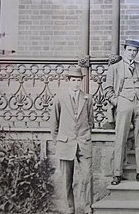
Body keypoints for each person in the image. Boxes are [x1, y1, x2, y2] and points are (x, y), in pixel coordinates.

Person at [106, 39, 139, 186]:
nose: (132, 53)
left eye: (135, 51)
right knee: (120, 137)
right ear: (124, 50)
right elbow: (108, 89)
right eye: (130, 50)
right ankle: (117, 173)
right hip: (123, 102)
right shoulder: (115, 68)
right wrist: (117, 102)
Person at [50, 65, 94, 214]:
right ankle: (70, 209)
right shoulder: (60, 98)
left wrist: (85, 136)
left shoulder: (87, 98)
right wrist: (58, 141)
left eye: (78, 80)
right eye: (73, 80)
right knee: (66, 180)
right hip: (65, 142)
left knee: (87, 176)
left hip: (83, 142)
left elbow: (90, 121)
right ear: (68, 80)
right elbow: (54, 123)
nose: (76, 83)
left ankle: (87, 207)